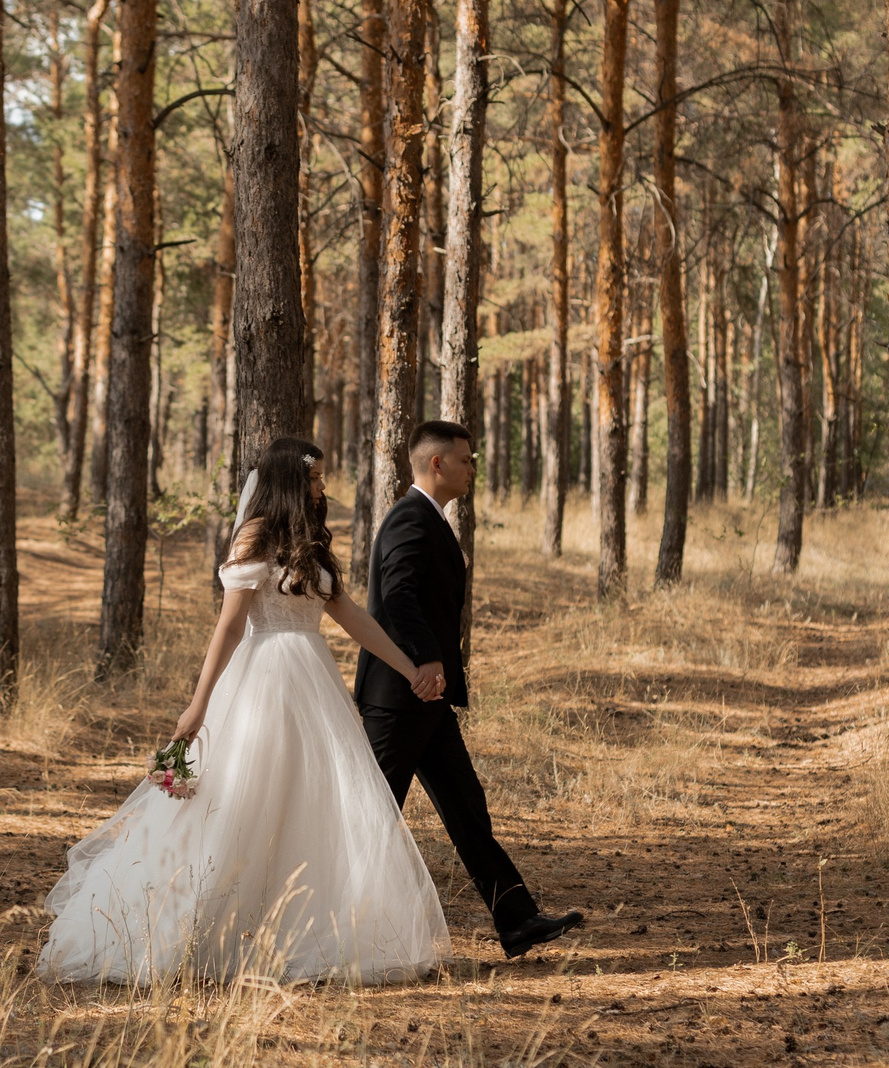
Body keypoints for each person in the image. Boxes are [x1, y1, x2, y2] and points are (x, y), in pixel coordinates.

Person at [37, 440, 452, 984]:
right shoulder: (255, 537)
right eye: (315, 480)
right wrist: (198, 705)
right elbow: (230, 626)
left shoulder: (312, 544)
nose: (322, 488)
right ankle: (206, 932)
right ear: (289, 482)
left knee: (315, 801)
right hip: (265, 680)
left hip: (314, 682)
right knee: (244, 801)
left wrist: (408, 666)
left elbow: (352, 616)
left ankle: (301, 928)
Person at [357, 419, 585, 958]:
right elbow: (399, 595)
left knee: (466, 807)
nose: (472, 468)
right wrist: (429, 658)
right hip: (400, 697)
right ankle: (327, 923)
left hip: (426, 699)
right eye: (465, 459)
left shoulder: (428, 519)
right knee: (369, 811)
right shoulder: (410, 520)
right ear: (437, 464)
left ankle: (517, 919)